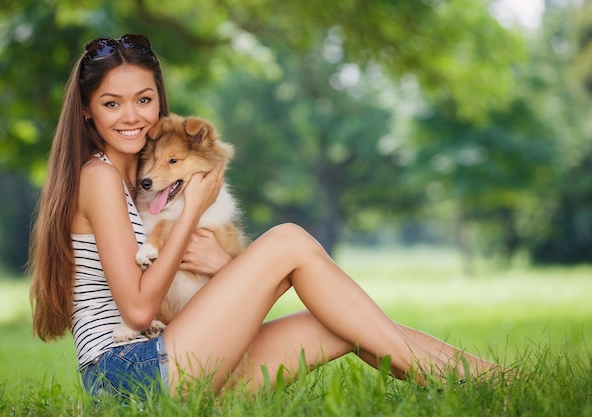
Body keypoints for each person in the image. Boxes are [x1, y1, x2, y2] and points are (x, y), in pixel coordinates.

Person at [29, 33, 503, 398]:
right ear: (88, 111)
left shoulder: (144, 182)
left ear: (159, 101)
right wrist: (193, 210)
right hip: (126, 378)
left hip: (169, 357)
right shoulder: (100, 177)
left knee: (338, 322)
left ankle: (493, 384)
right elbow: (136, 309)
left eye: (144, 99)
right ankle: (480, 387)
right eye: (112, 103)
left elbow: (193, 302)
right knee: (290, 240)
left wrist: (221, 266)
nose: (132, 116)